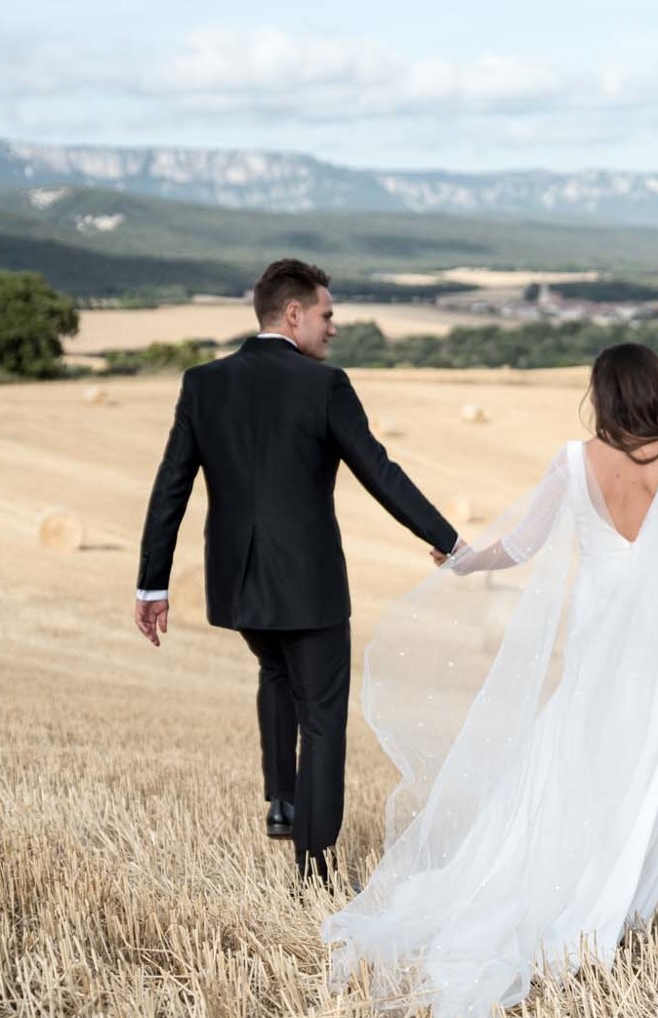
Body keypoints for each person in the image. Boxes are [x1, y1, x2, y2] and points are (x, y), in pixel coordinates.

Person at [322, 343, 658, 1018]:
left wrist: (464, 560)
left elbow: (521, 545)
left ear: (603, 394)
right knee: (651, 769)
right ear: (657, 389)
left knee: (583, 758)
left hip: (599, 633)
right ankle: (611, 907)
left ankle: (584, 889)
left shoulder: (574, 460)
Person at [134, 258, 458, 879]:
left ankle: (283, 801)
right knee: (324, 715)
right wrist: (448, 539)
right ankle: (315, 863)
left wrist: (152, 583)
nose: (332, 328)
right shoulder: (325, 385)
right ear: (294, 314)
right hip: (309, 586)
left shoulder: (203, 382)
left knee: (274, 670)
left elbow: (169, 488)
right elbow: (380, 472)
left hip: (239, 584)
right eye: (326, 314)